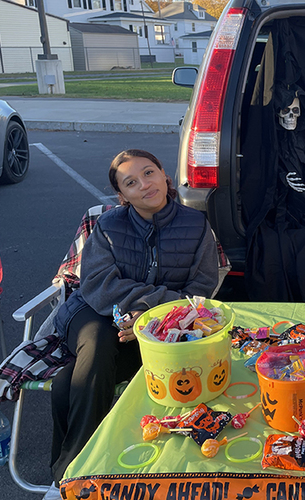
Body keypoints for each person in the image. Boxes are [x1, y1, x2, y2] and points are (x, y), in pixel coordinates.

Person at [45, 150, 219, 498]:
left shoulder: (196, 225)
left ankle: (61, 474)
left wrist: (148, 319)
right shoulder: (108, 226)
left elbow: (200, 290)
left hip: (156, 327)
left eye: (149, 173)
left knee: (67, 383)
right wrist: (147, 309)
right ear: (123, 196)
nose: (144, 184)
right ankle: (75, 472)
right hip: (92, 312)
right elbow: (97, 285)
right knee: (97, 341)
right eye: (131, 182)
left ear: (165, 177)